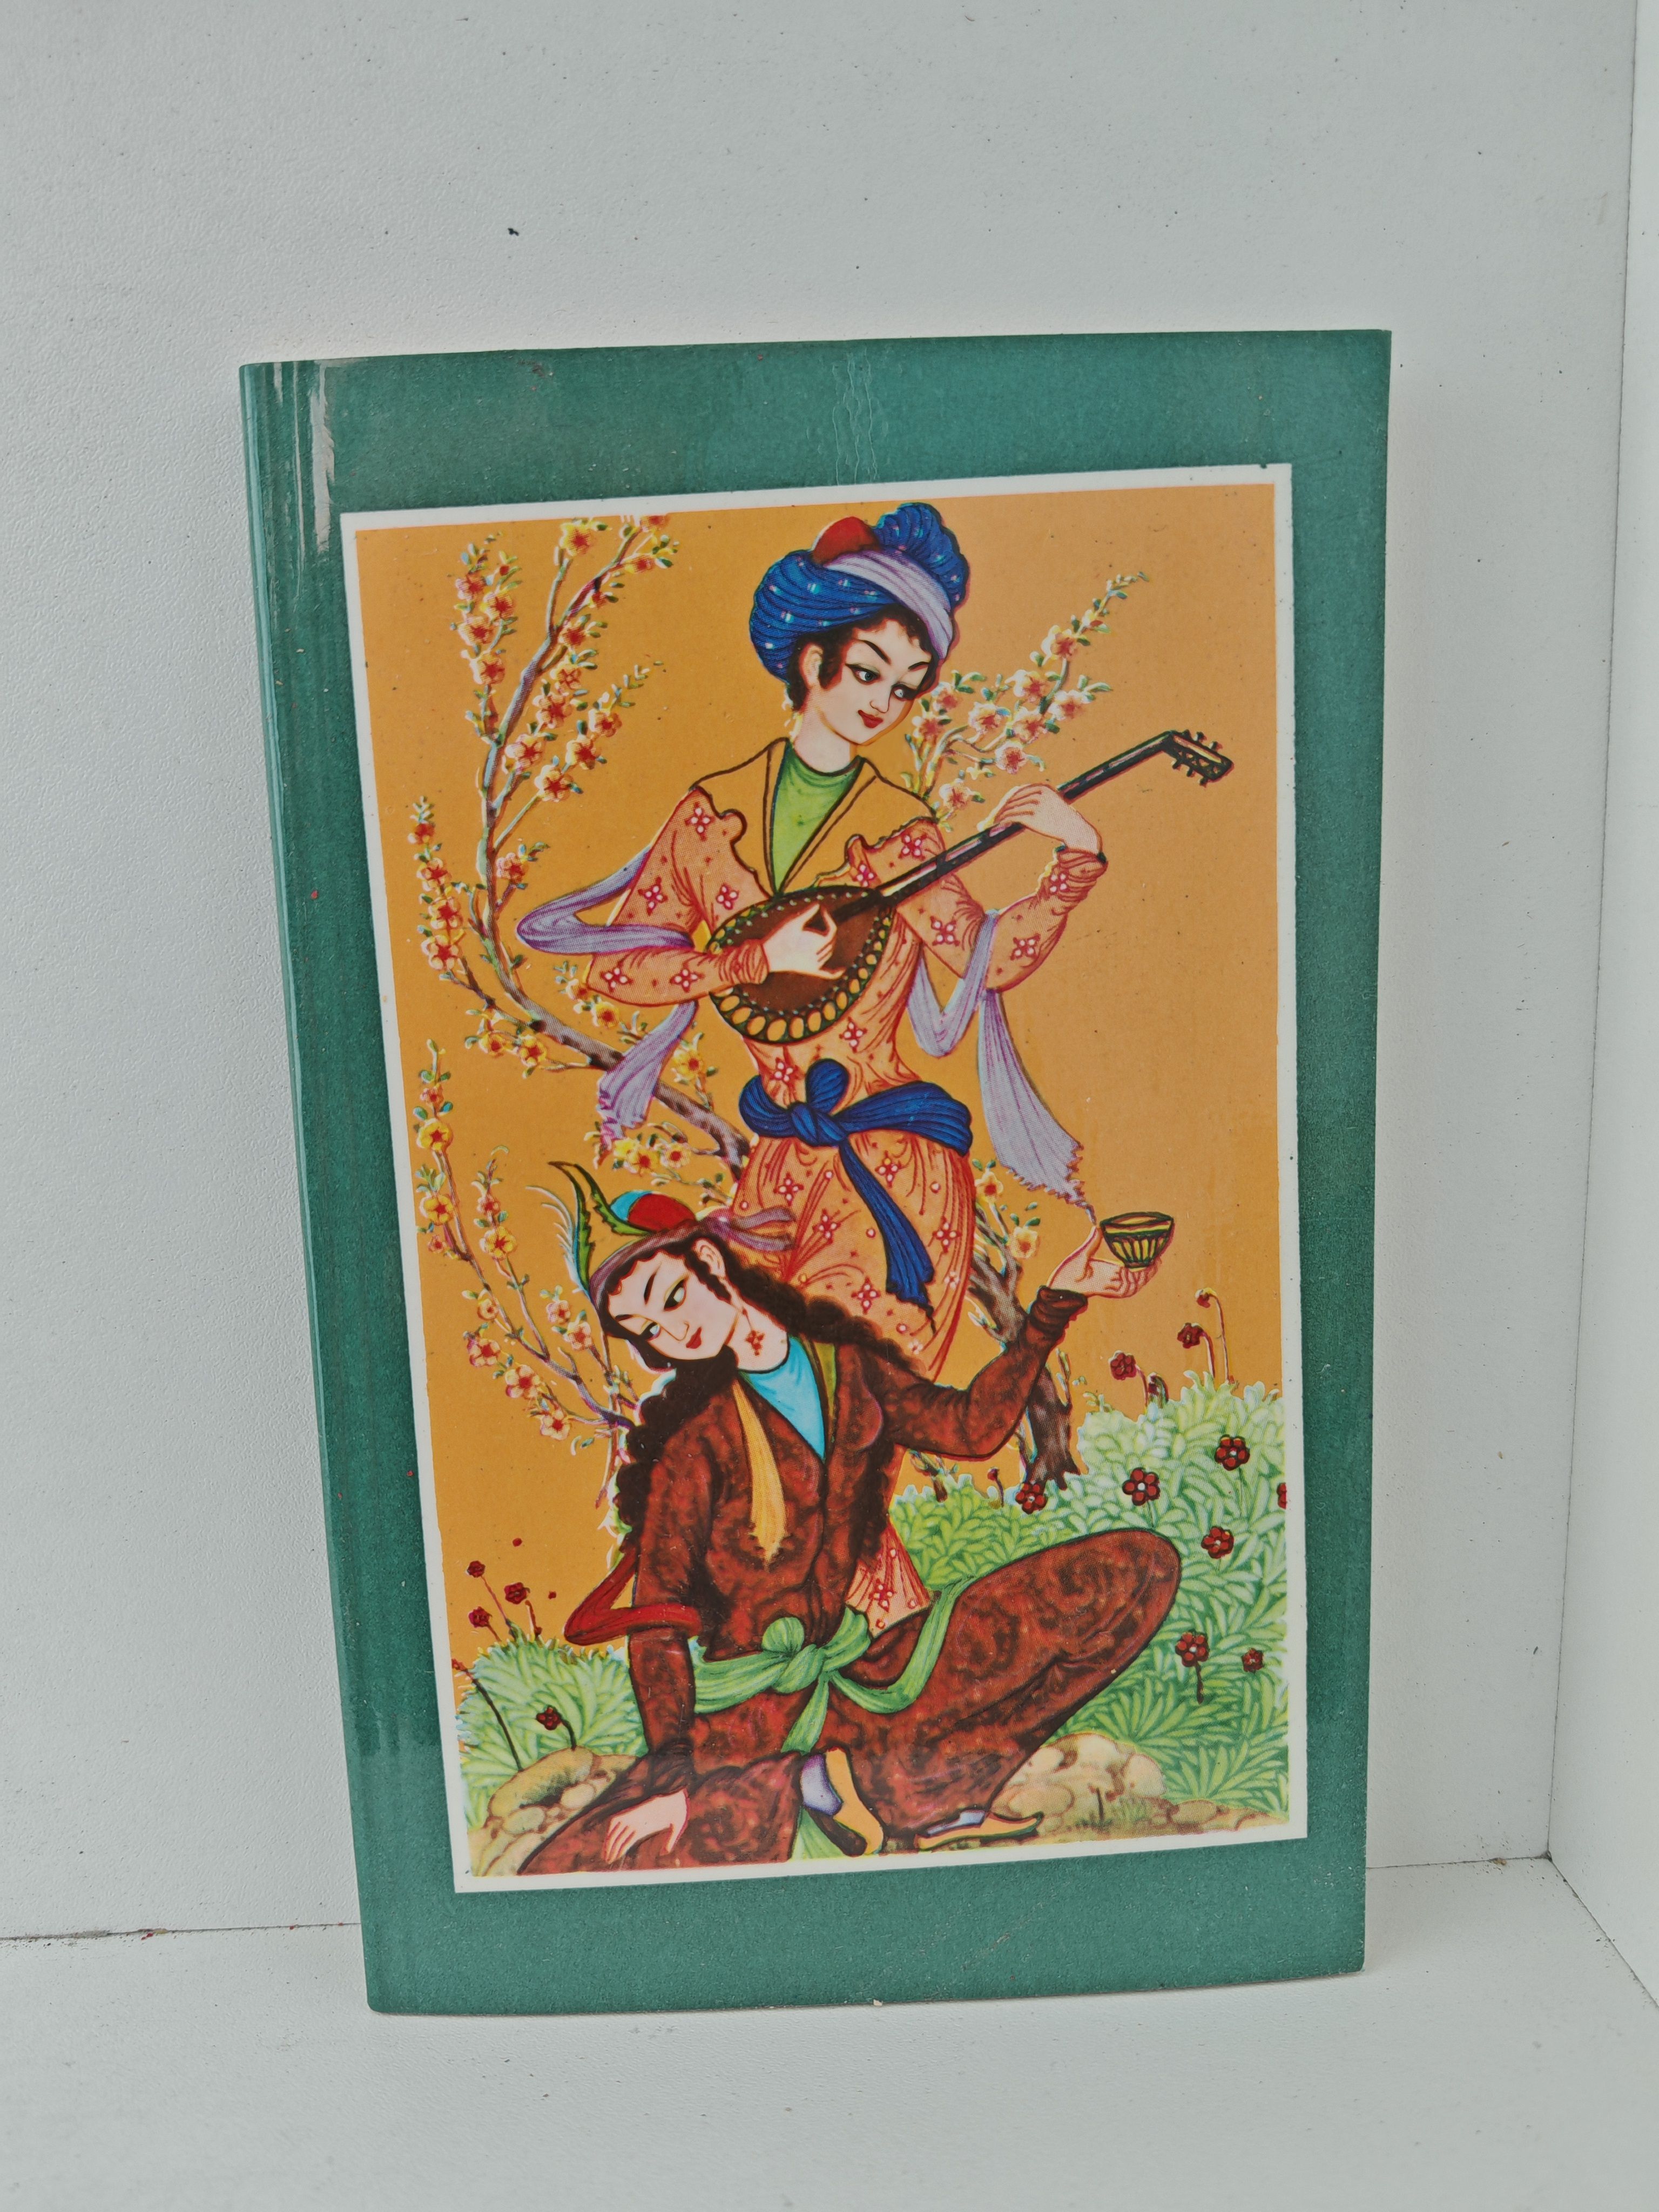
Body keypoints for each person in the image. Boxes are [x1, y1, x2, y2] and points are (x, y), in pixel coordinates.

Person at [518, 503, 1109, 1377]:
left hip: (893, 1167)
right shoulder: (710, 815)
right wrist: (751, 961)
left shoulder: (898, 830)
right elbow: (625, 969)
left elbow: (988, 957)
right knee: (757, 1401)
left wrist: (1075, 859)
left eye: (905, 687)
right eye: (867, 671)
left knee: (853, 1399)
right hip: (775, 1176)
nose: (882, 703)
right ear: (809, 658)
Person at [517, 1202, 1179, 1876]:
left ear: (710, 1261)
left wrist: (1056, 1302)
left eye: (673, 1297)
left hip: (867, 1681)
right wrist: (670, 1776)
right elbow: (656, 1625)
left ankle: (887, 1793)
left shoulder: (850, 1372)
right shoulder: (694, 1442)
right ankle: (828, 1788)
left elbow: (971, 1429)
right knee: (585, 1865)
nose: (674, 1331)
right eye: (649, 1329)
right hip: (751, 1722)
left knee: (1136, 1569)